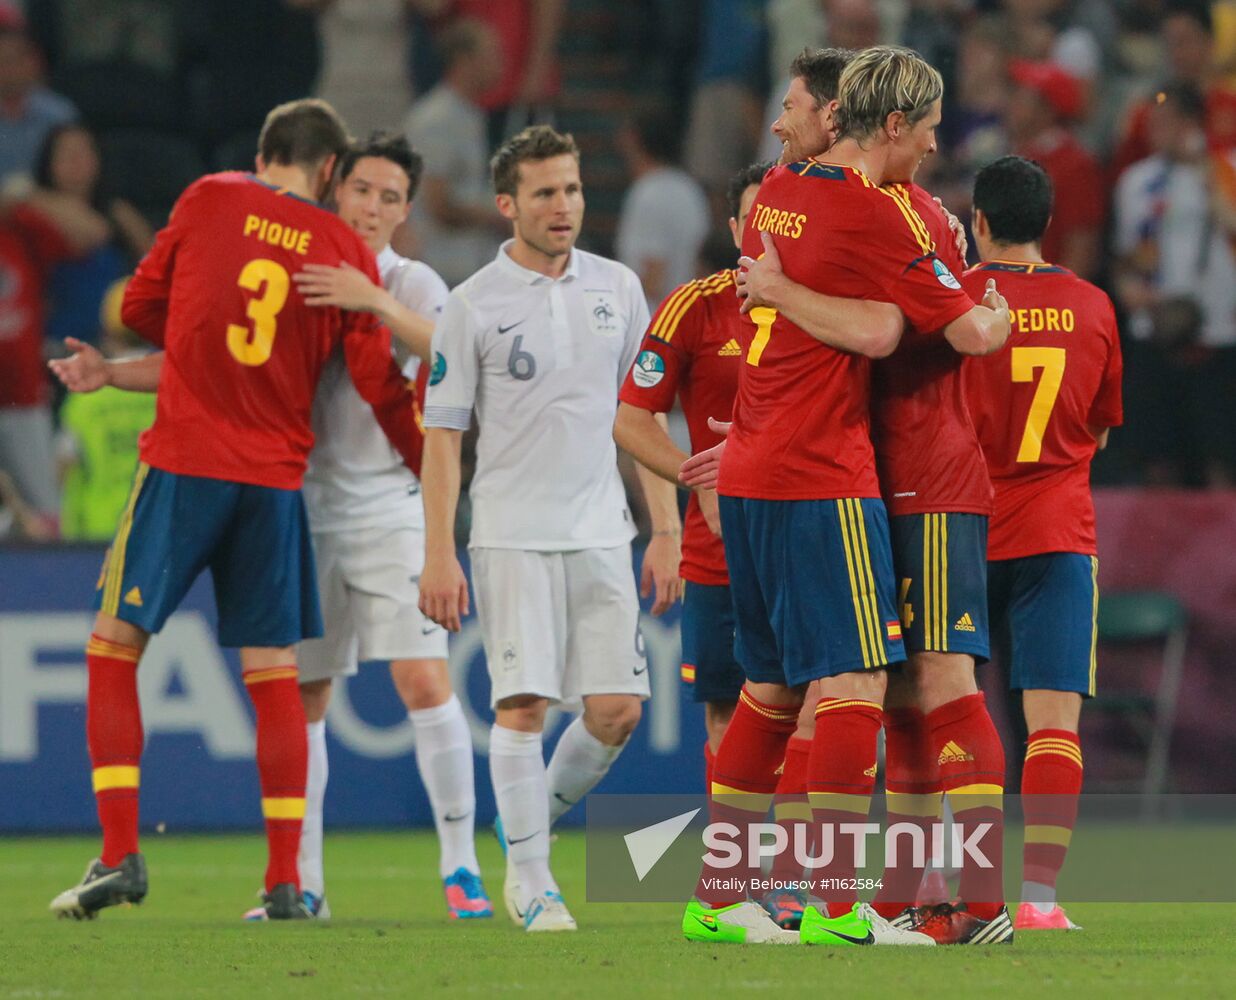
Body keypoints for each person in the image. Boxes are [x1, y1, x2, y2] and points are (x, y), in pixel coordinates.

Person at [47, 98, 423, 922]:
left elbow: (143, 306)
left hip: (186, 464)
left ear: (267, 153)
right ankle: (286, 881)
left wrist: (190, 336)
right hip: (276, 485)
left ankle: (119, 855)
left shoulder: (212, 198)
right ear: (330, 170)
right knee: (274, 676)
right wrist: (438, 476)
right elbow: (379, 388)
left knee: (113, 649)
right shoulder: (340, 250)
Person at [678, 45, 1008, 947]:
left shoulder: (782, 190)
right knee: (877, 678)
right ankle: (848, 903)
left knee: (776, 687)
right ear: (889, 125)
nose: (936, 150)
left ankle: (721, 893)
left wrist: (784, 291)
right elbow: (947, 330)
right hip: (834, 473)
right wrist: (998, 306)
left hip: (755, 468)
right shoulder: (885, 216)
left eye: (790, 106)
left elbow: (870, 322)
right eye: (931, 131)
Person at [418, 125, 676, 933]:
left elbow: (646, 416)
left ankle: (527, 819)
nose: (563, 206)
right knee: (523, 706)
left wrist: (664, 527)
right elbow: (443, 440)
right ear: (508, 205)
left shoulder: (620, 289)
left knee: (616, 714)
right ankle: (532, 879)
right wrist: (438, 554)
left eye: (570, 189)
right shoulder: (471, 308)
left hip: (603, 531)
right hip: (511, 534)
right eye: (544, 193)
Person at [963, 155, 1123, 932]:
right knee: (1053, 719)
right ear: (1048, 223)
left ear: (979, 222)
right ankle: (1041, 899)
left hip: (956, 528)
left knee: (946, 711)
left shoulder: (955, 300)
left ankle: (954, 883)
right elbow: (1097, 424)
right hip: (1058, 531)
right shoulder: (1093, 305)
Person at [613, 161, 767, 790]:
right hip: (720, 551)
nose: (770, 229)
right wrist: (695, 475)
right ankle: (735, 881)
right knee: (727, 710)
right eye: (756, 217)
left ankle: (812, 881)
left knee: (821, 707)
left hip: (814, 538)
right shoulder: (694, 307)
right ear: (733, 227)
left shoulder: (835, 310)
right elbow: (631, 420)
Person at [402, 18, 506, 287]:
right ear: (464, 60)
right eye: (491, 54)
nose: (500, 63)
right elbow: (437, 203)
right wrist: (499, 217)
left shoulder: (472, 116)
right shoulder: (436, 119)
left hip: (469, 266)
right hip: (440, 268)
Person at [35, 123, 154, 351]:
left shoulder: (117, 211)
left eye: (84, 152)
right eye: (67, 154)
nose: (76, 161)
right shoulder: (33, 212)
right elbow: (93, 232)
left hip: (115, 339)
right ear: (48, 162)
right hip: (57, 342)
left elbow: (155, 261)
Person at [56, 281, 157, 542]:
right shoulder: (169, 388)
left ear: (107, 331)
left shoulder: (85, 397)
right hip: (155, 527)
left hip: (96, 532)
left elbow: (66, 467)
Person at [614, 104, 711, 312]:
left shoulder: (649, 194)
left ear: (633, 140)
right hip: (687, 315)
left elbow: (653, 279)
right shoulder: (689, 188)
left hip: (653, 322)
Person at [0, 4, 76, 183]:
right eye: (3, 61)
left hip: (46, 205)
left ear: (34, 62)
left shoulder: (59, 114)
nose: (10, 69)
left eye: (16, 60)